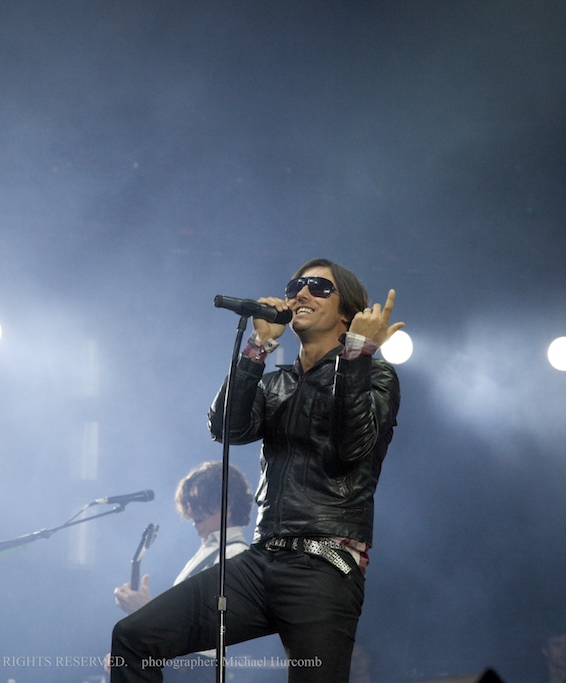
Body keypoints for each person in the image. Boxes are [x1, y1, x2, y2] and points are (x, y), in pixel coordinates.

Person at [110, 258, 403, 683]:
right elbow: (225, 428)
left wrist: (356, 353)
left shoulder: (375, 375)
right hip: (262, 560)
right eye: (295, 286)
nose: (301, 293)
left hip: (324, 565)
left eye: (319, 287)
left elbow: (351, 445)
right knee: (134, 638)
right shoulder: (276, 383)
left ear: (347, 313)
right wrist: (256, 348)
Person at [111, 461, 254, 681]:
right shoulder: (207, 552)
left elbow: (209, 626)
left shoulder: (234, 554)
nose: (190, 511)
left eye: (198, 503)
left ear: (228, 504)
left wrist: (146, 611)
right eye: (188, 504)